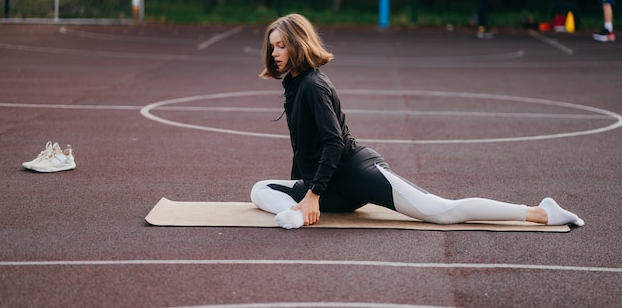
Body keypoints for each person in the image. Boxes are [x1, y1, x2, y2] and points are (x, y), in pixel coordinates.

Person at [251, 13, 585, 229]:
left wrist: (311, 195)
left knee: (442, 212)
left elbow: (334, 142)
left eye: (282, 45)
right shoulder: (294, 84)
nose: (276, 52)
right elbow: (302, 143)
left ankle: (540, 212)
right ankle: (294, 214)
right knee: (260, 189)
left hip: (355, 173)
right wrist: (305, 186)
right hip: (329, 188)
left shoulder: (312, 85)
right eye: (273, 47)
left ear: (299, 44)